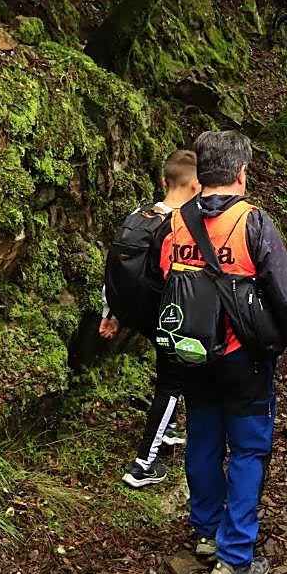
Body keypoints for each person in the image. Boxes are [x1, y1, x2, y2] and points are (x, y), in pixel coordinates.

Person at [158, 130, 287, 574]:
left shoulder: (175, 222)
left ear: (202, 172)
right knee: (248, 449)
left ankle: (207, 531)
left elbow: (161, 280)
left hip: (189, 350)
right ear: (241, 173)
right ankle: (236, 555)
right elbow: (284, 296)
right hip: (241, 354)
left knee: (204, 441)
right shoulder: (253, 222)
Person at [101, 150, 201, 488]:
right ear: (197, 186)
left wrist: (111, 313)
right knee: (172, 384)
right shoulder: (181, 226)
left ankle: (168, 429)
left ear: (163, 181)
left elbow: (112, 263)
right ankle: (143, 464)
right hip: (164, 315)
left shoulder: (139, 214)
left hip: (134, 310)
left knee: (167, 368)